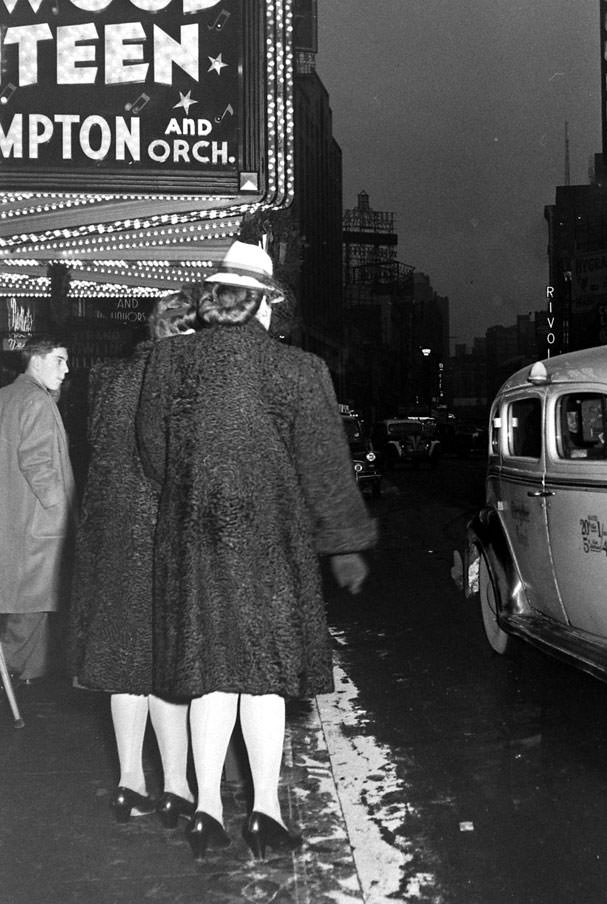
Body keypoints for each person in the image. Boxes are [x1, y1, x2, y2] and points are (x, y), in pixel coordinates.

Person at [136, 241, 377, 862]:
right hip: (271, 545)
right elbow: (325, 467)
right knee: (265, 681)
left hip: (194, 544)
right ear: (265, 304)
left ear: (212, 301)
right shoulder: (299, 371)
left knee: (211, 676)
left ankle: (207, 810)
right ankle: (265, 812)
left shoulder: (169, 363)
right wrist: (345, 545)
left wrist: (197, 491)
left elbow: (152, 454)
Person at [70, 291, 198, 826]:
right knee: (169, 666)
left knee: (127, 666)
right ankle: (176, 787)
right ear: (187, 334)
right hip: (164, 539)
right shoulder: (188, 385)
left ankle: (128, 782)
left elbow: (101, 451)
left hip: (112, 539)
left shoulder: (111, 380)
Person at [0, 335, 75, 687]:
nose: (66, 369)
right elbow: (38, 462)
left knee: (19, 599)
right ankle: (18, 674)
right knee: (32, 602)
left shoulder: (8, 395)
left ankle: (20, 674)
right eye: (59, 360)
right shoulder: (37, 401)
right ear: (38, 360)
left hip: (13, 515)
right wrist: (62, 510)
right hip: (38, 521)